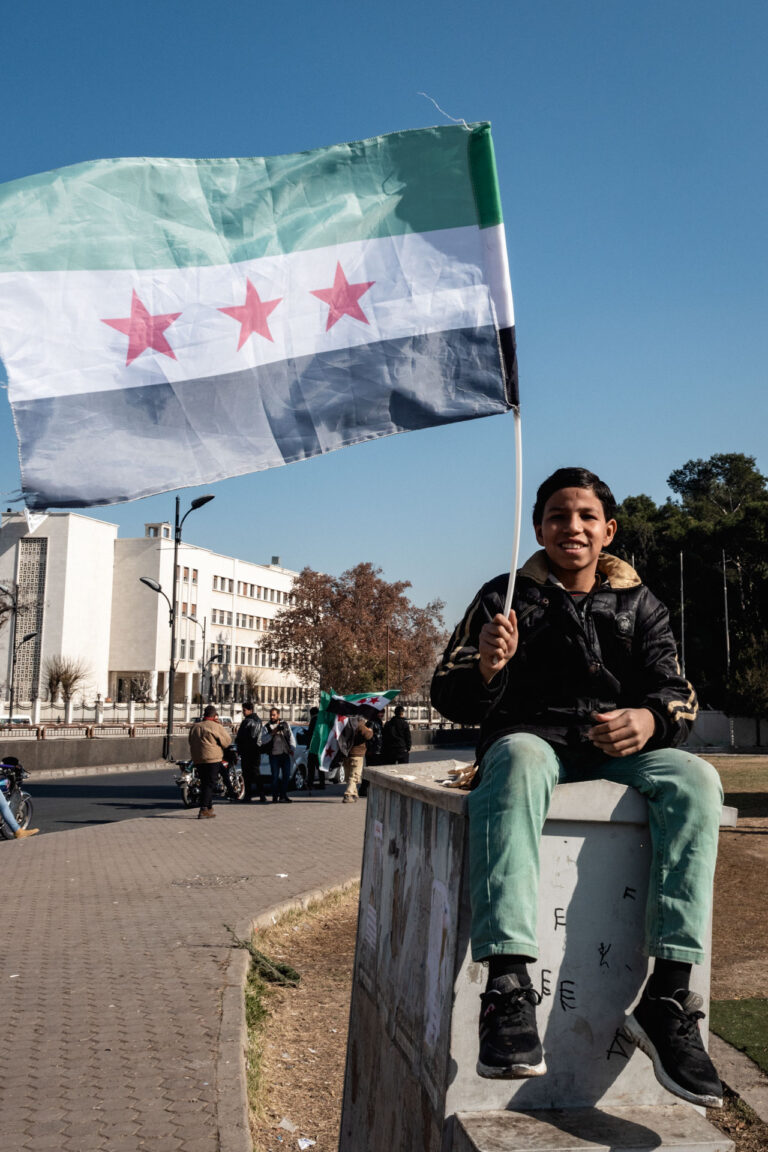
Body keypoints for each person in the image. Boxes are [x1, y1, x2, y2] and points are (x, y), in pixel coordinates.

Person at [430, 467, 724, 1109]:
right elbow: (446, 694)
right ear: (538, 528)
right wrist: (484, 665)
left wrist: (649, 719)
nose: (573, 527)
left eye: (587, 516)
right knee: (517, 759)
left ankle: (670, 997)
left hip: (616, 752)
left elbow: (678, 692)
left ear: (608, 530)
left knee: (697, 779)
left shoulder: (641, 602)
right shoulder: (503, 595)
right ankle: (507, 989)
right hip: (532, 741)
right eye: (559, 516)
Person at [188, 704, 234, 819]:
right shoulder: (215, 726)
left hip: (198, 758)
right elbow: (227, 741)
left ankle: (209, 807)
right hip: (212, 758)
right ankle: (203, 809)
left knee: (204, 783)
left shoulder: (195, 726)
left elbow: (190, 741)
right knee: (210, 784)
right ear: (214, 716)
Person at [263, 707, 296, 803]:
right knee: (275, 777)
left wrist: (292, 748)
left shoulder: (285, 725)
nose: (272, 717)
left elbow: (291, 738)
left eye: (274, 715)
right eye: (271, 715)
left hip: (285, 754)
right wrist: (273, 733)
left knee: (286, 776)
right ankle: (274, 796)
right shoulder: (267, 727)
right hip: (274, 755)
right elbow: (263, 740)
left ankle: (283, 795)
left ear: (278, 715)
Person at [236, 701, 266, 803]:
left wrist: (239, 748)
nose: (243, 712)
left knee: (247, 775)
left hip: (247, 751)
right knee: (256, 773)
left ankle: (248, 796)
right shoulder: (259, 721)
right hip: (256, 751)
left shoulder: (247, 722)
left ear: (250, 710)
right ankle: (262, 795)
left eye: (244, 710)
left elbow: (241, 737)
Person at [341, 714, 373, 803]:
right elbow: (368, 736)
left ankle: (354, 794)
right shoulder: (359, 725)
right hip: (357, 754)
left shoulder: (344, 724)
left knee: (349, 777)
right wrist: (370, 730)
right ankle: (348, 794)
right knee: (354, 776)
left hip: (346, 754)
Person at [304, 707, 325, 791]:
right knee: (320, 767)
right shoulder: (321, 720)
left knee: (311, 767)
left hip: (313, 747)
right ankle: (322, 783)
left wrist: (305, 733)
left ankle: (310, 783)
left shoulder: (314, 720)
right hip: (320, 748)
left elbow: (311, 733)